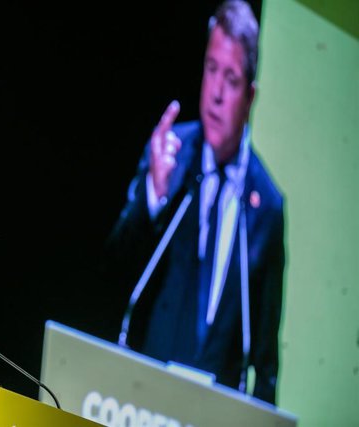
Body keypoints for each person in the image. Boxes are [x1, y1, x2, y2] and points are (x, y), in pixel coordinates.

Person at [106, 0, 284, 404]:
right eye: (211, 69)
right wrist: (153, 194)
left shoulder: (267, 206)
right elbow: (115, 268)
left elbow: (266, 356)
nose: (217, 93)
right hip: (140, 396)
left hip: (213, 409)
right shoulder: (169, 155)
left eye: (233, 79)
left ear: (250, 95)